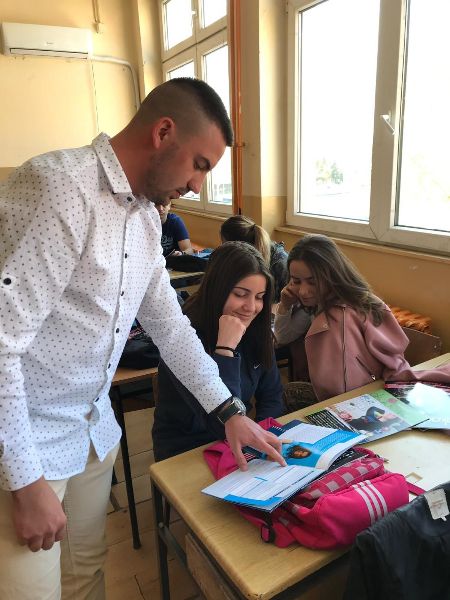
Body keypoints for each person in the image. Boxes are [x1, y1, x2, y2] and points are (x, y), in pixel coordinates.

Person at [0, 77, 284, 600]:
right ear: (163, 132)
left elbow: (170, 327)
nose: (197, 185)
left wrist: (229, 412)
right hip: (26, 442)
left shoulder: (145, 218)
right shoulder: (60, 186)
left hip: (91, 430)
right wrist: (24, 479)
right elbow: (2, 343)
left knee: (86, 575)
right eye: (199, 164)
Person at [274, 234, 450, 403]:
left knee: (289, 394)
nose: (303, 291)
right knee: (289, 391)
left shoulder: (352, 311)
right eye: (296, 281)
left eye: (312, 282)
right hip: (344, 395)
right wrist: (285, 305)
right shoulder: (315, 302)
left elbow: (342, 388)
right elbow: (283, 336)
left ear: (332, 274)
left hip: (361, 395)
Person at [152, 241, 285, 460]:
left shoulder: (256, 332)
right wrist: (225, 349)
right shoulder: (183, 340)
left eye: (259, 297)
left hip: (240, 444)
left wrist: (265, 433)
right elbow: (220, 422)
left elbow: (272, 396)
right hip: (186, 451)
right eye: (240, 294)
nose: (251, 307)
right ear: (217, 290)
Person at [220, 215, 288, 302]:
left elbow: (280, 305)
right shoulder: (244, 259)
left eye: (224, 244)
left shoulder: (279, 265)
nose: (222, 248)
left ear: (238, 245)